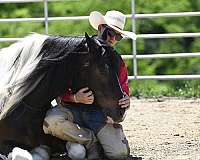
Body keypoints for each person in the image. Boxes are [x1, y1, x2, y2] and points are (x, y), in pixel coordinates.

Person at [43, 10, 137, 160]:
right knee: (51, 121)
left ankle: (79, 140)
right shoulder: (76, 53)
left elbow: (123, 90)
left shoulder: (117, 61)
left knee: (119, 154)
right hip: (71, 109)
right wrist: (74, 98)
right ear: (100, 28)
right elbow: (58, 89)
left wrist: (126, 102)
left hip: (99, 115)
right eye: (110, 33)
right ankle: (91, 141)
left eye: (118, 36)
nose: (113, 39)